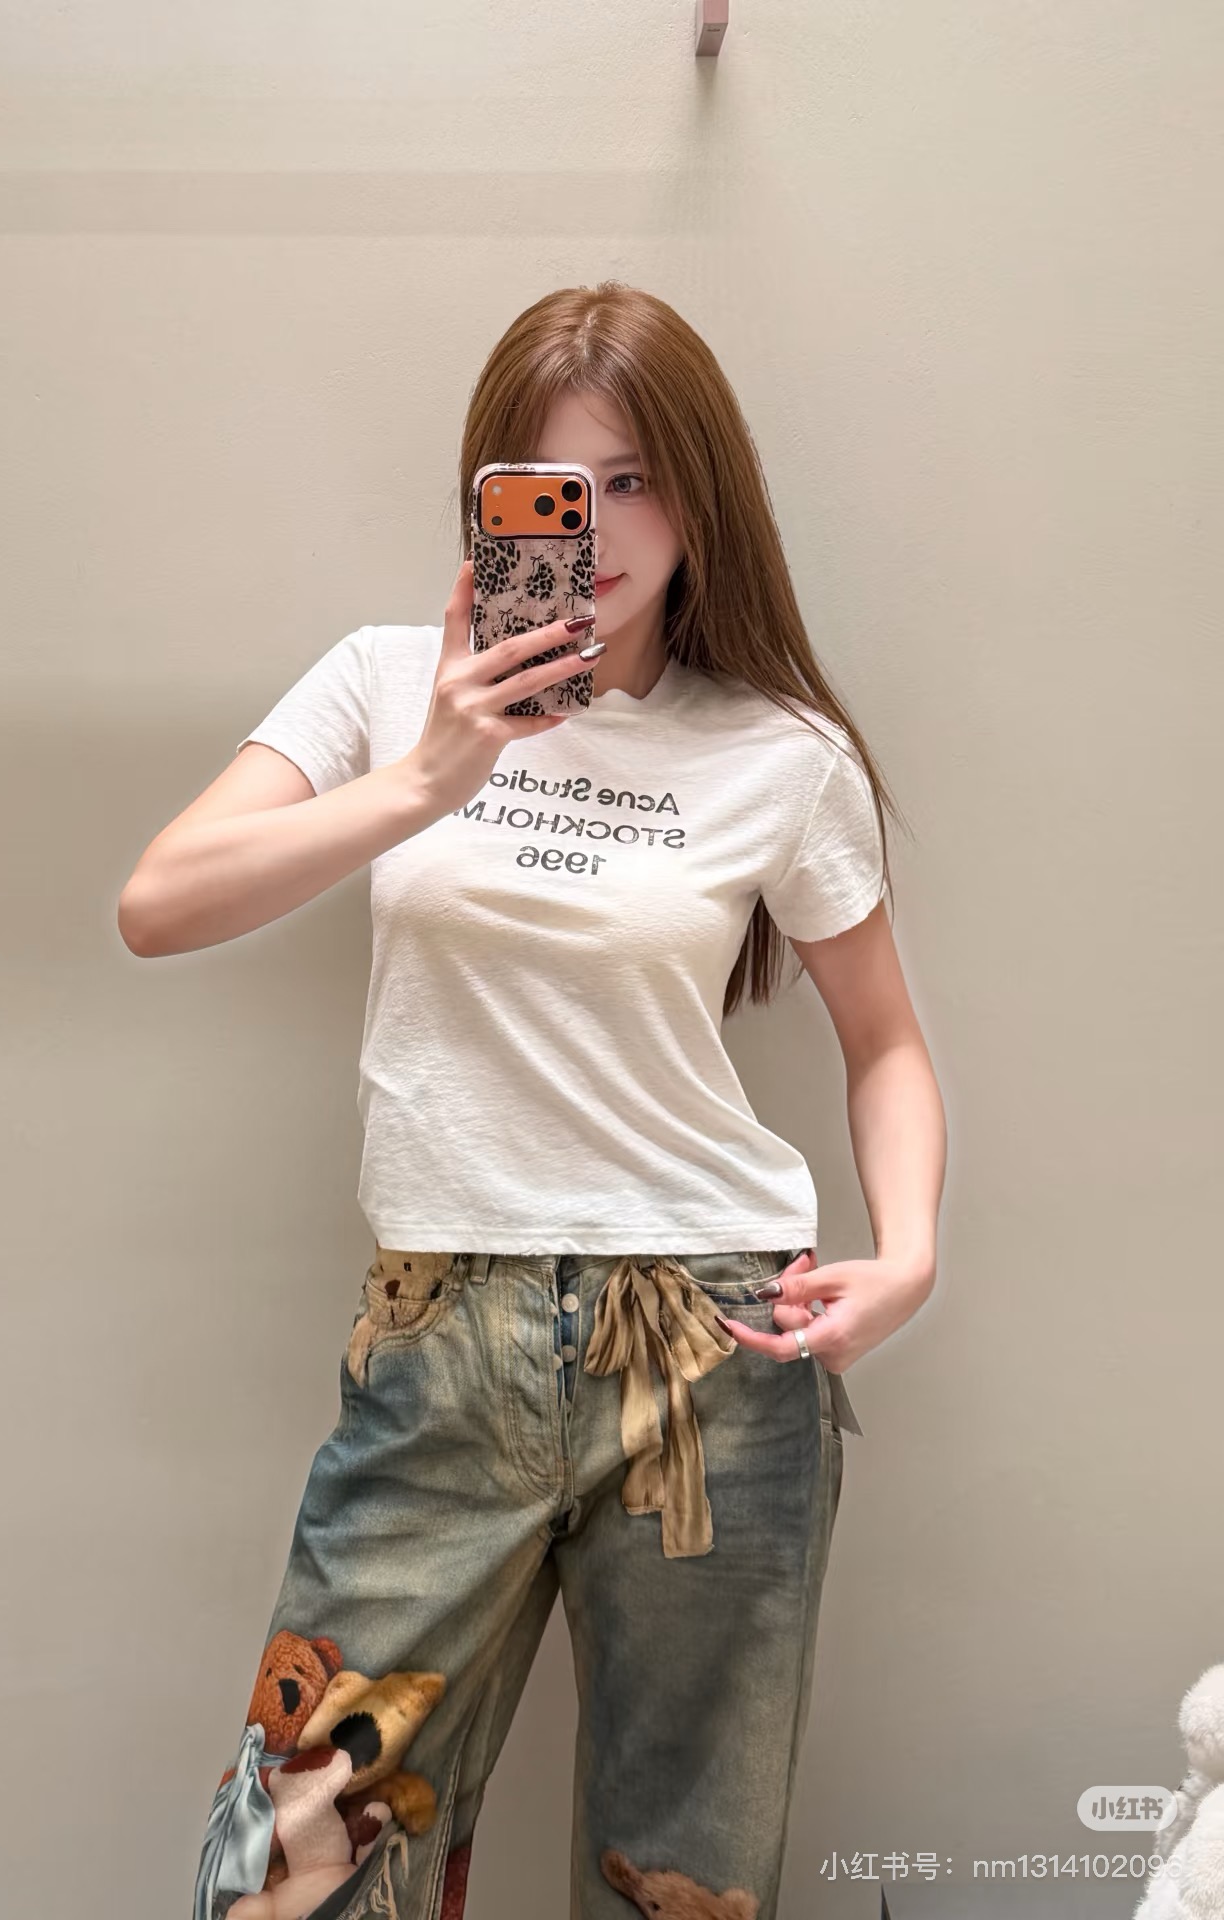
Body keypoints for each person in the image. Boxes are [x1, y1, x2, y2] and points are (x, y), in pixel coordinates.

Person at [118, 281, 947, 1920]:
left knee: (679, 1885)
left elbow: (886, 1040)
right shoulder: (382, 686)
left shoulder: (781, 753)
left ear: (703, 497)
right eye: (557, 490)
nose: (601, 529)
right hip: (443, 1341)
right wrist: (428, 778)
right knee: (294, 1876)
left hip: (713, 1347)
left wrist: (908, 1252)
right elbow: (160, 902)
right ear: (495, 506)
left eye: (636, 481)